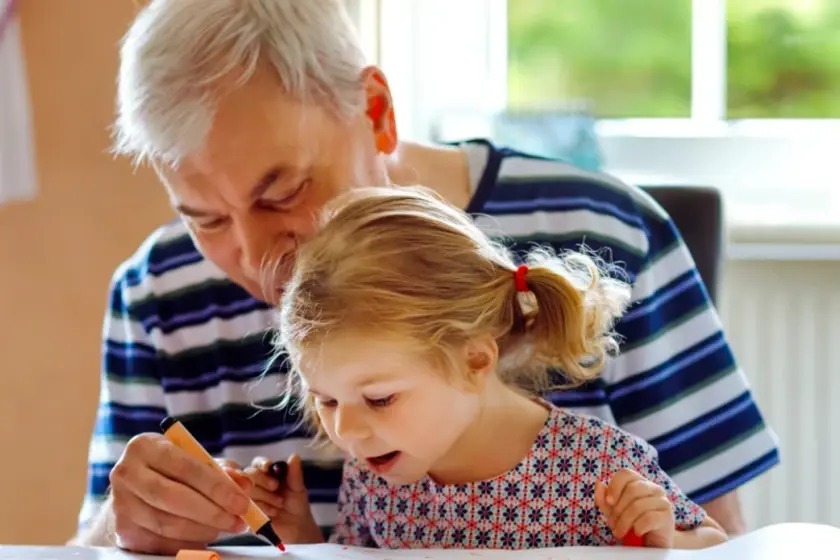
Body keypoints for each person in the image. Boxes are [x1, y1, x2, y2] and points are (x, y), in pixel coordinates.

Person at [70, 0, 779, 554]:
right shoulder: (156, 294)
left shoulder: (609, 231)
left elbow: (722, 540)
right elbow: (87, 550)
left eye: (281, 193)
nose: (255, 259)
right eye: (206, 219)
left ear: (376, 112)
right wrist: (121, 527)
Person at [253, 184, 729, 549]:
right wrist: (301, 533)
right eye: (327, 400)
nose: (346, 430)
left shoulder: (598, 463)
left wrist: (665, 541)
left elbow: (717, 545)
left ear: (475, 360)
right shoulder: (374, 470)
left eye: (380, 399)